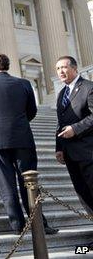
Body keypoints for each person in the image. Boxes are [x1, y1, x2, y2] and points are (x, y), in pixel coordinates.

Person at [0, 54, 58, 235]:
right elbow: (32, 111)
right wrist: (19, 122)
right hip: (23, 138)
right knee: (29, 183)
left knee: (6, 185)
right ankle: (40, 224)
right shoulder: (25, 84)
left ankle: (18, 226)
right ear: (7, 66)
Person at [55, 56, 93, 234]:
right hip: (70, 153)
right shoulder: (62, 94)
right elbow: (60, 122)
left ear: (75, 68)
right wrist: (59, 148)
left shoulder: (88, 88)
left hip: (88, 151)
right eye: (58, 69)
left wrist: (75, 129)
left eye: (64, 67)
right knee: (83, 194)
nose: (61, 72)